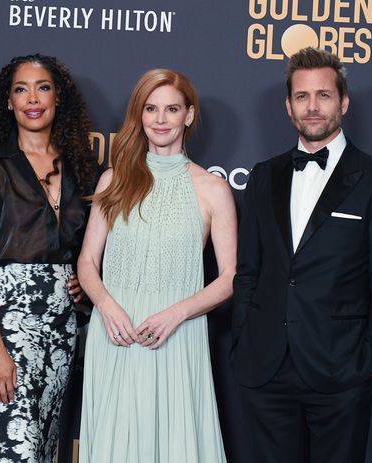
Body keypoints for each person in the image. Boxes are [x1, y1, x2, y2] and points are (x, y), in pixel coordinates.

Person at [231, 47, 372, 463]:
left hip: (341, 370)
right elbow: (248, 270)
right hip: (266, 367)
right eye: (302, 96)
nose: (312, 107)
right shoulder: (263, 176)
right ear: (288, 106)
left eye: (323, 96)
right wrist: (243, 341)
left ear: (343, 102)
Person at [78, 69, 237, 462]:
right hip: (115, 333)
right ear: (139, 115)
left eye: (171, 109)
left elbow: (231, 277)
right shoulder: (113, 181)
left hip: (177, 334)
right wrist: (107, 307)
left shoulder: (213, 189)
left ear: (189, 115)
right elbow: (86, 262)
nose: (160, 119)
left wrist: (177, 314)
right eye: (151, 109)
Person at [0, 54, 98, 463]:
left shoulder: (79, 170)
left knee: (40, 445)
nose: (32, 98)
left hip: (61, 327)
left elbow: (90, 250)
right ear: (8, 102)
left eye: (42, 87)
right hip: (6, 325)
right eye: (21, 89)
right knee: (13, 446)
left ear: (58, 97)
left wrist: (82, 286)